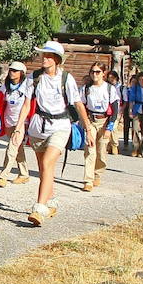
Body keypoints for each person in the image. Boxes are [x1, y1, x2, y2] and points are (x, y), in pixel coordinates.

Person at [25, 41, 89, 226]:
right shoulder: (34, 77)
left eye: (48, 55)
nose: (44, 58)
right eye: (43, 55)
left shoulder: (66, 79)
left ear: (56, 59)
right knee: (44, 168)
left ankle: (39, 208)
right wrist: (21, 126)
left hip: (61, 125)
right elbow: (27, 104)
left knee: (47, 163)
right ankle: (51, 201)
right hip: (38, 126)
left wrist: (88, 129)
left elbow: (78, 104)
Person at [0, 60, 32, 187]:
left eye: (15, 71)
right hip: (8, 120)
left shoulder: (27, 86)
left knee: (12, 147)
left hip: (21, 121)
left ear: (22, 73)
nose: (12, 73)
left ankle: (3, 176)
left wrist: (21, 125)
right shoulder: (6, 86)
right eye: (11, 70)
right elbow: (0, 102)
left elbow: (28, 105)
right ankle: (24, 173)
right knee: (17, 147)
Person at [81, 64, 119, 190]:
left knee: (101, 151)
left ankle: (97, 173)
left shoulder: (109, 89)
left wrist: (110, 128)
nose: (94, 74)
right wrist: (84, 124)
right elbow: (81, 106)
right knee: (90, 150)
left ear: (103, 73)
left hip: (105, 121)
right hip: (91, 120)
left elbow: (115, 109)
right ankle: (88, 180)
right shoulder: (86, 89)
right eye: (92, 72)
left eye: (98, 72)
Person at [105, 69, 124, 155]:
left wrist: (122, 111)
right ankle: (108, 145)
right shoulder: (105, 86)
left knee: (113, 128)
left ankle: (114, 145)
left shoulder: (120, 88)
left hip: (117, 110)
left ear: (116, 78)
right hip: (107, 110)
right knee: (106, 127)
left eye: (112, 78)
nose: (110, 79)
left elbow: (125, 100)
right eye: (109, 78)